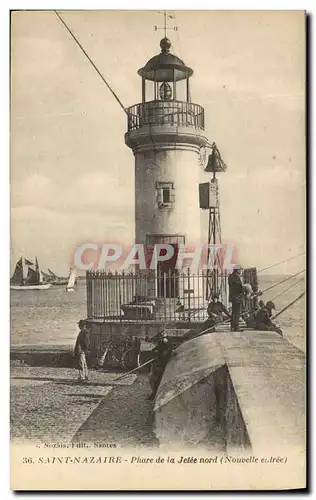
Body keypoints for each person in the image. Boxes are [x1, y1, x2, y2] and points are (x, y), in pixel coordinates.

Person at [147, 332, 174, 401]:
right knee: (152, 378)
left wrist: (163, 356)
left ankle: (155, 394)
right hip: (158, 361)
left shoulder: (167, 340)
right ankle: (154, 393)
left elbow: (169, 348)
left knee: (155, 378)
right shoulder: (160, 339)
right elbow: (159, 347)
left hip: (163, 363)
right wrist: (155, 351)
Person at [228, 265, 244, 332]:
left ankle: (233, 326)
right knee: (237, 312)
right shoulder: (235, 277)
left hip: (233, 297)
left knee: (234, 312)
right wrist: (243, 290)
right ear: (237, 270)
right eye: (240, 270)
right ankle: (236, 327)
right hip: (237, 297)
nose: (241, 271)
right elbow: (238, 287)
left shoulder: (231, 276)